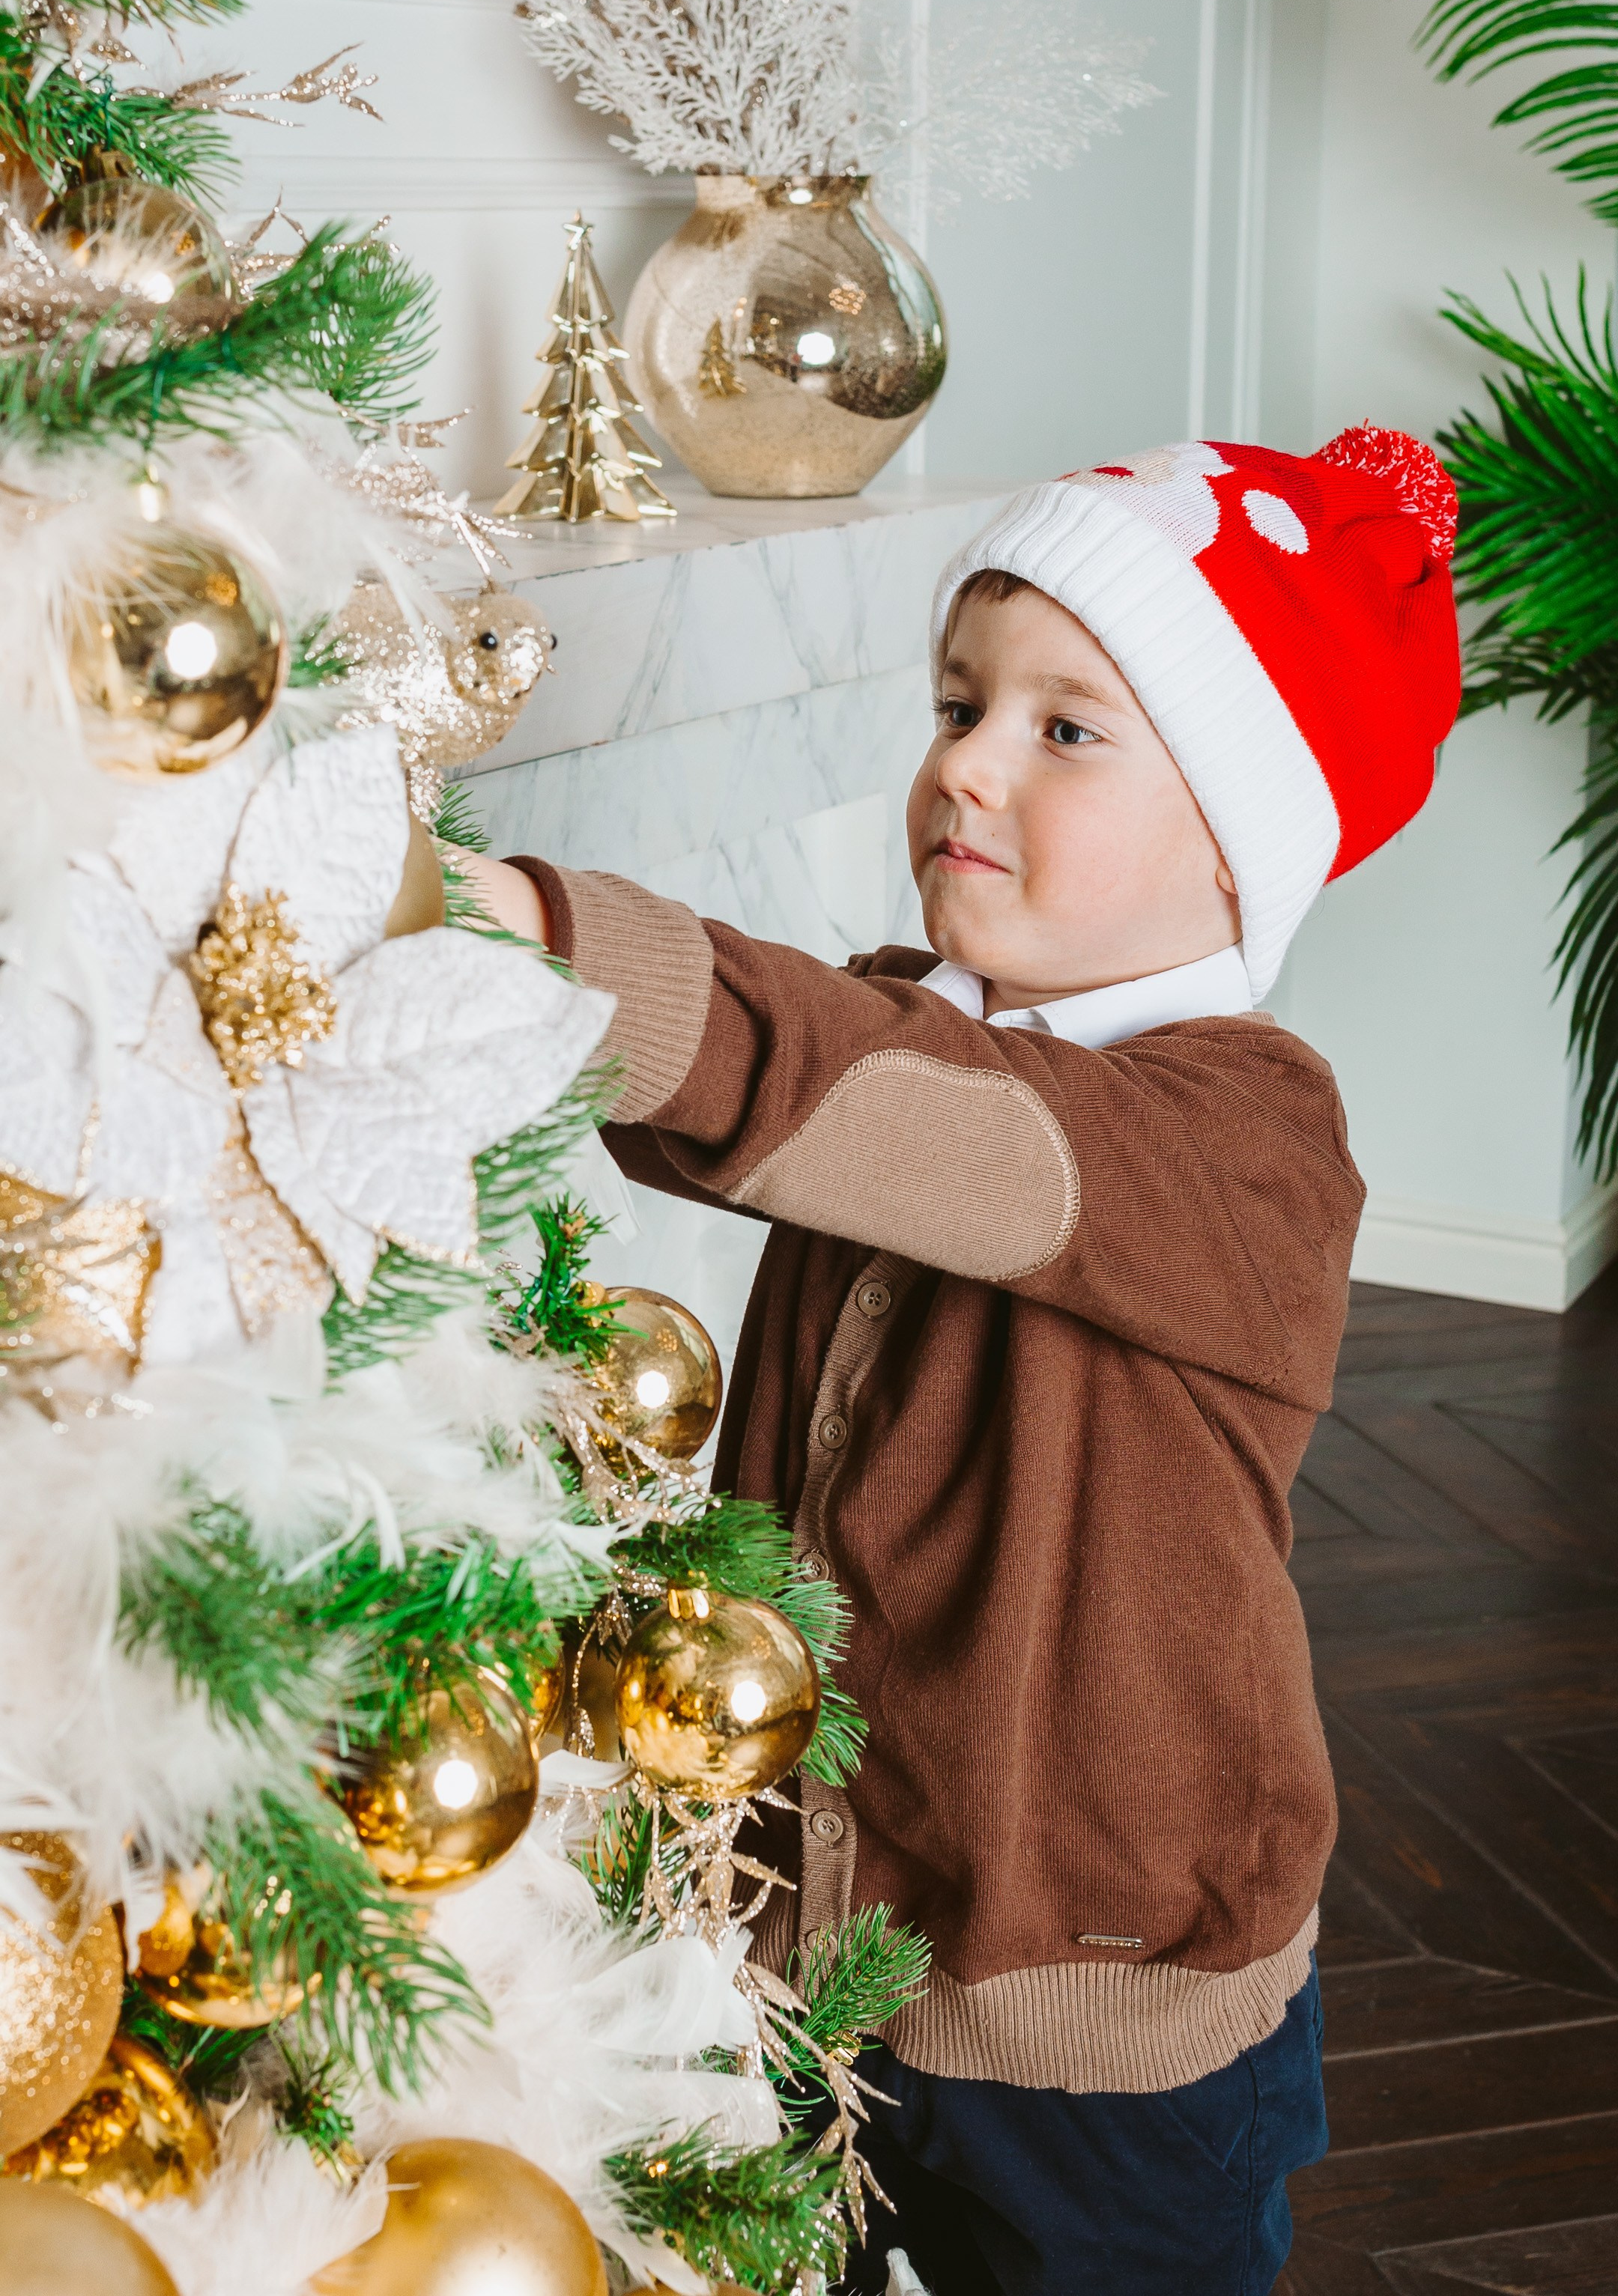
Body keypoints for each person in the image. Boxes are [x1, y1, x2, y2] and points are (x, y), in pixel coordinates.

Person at [461, 428, 1461, 2296]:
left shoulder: (1246, 1135)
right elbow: (805, 1083)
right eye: (957, 701)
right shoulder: (919, 1032)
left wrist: (547, 938)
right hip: (814, 1929)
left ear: (1242, 834)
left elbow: (925, 1118)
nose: (966, 765)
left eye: (1067, 730)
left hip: (1095, 2004)